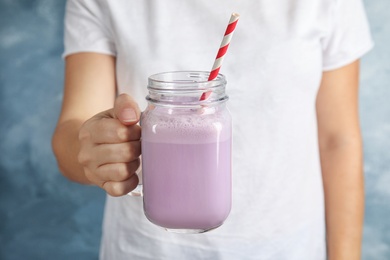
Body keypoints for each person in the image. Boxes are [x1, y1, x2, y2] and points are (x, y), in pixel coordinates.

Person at [52, 0, 373, 259]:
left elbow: (338, 141)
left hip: (288, 248)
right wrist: (95, 147)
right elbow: (72, 132)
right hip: (146, 249)